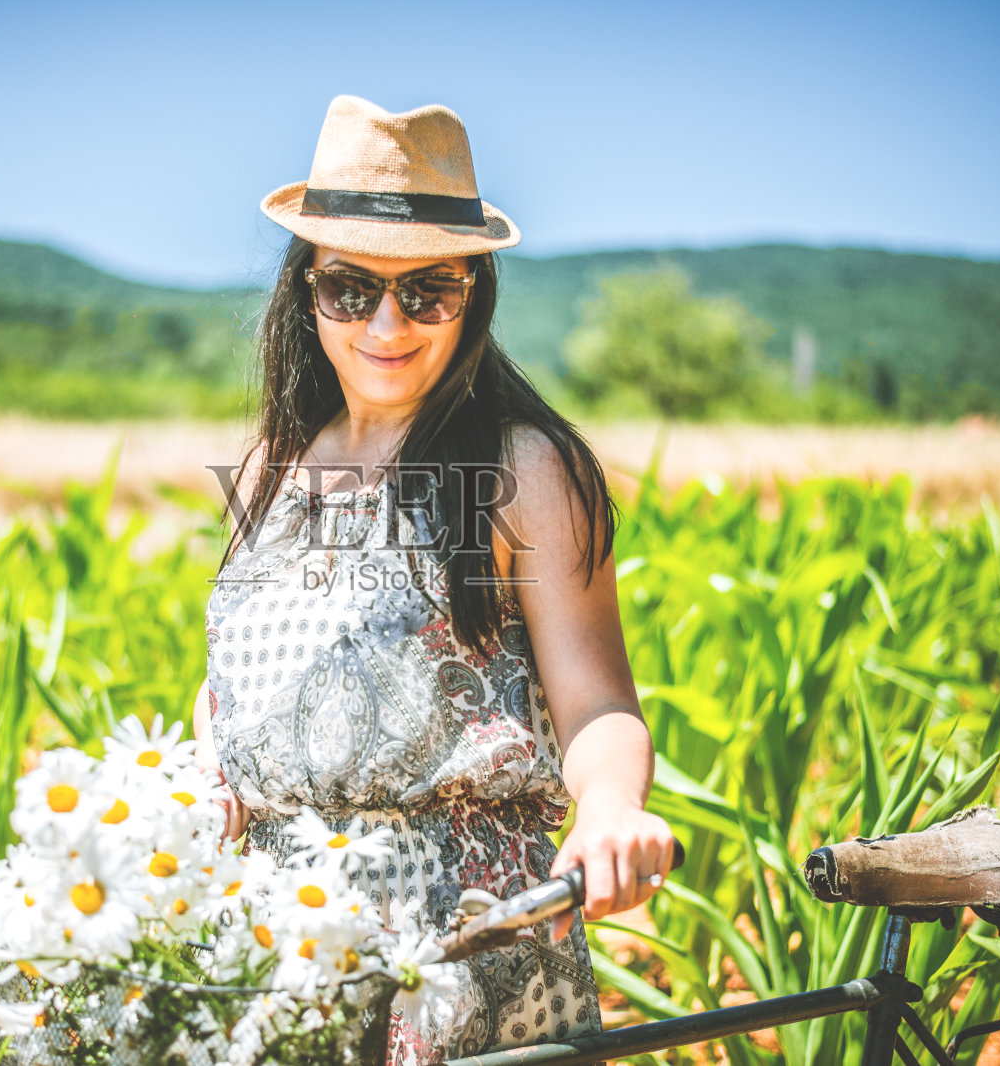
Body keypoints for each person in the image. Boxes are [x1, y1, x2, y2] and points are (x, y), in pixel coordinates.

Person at [191, 95, 676, 1065]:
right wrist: (203, 771)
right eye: (349, 288)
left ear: (473, 294)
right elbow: (232, 687)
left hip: (463, 944)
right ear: (305, 290)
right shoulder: (266, 468)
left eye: (427, 291)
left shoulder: (520, 469)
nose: (386, 322)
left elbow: (596, 702)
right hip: (275, 936)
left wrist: (612, 809)